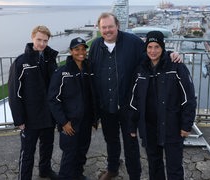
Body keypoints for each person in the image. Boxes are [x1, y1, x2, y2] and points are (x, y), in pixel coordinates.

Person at [88, 12, 182, 180]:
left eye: (110, 26)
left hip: (128, 106)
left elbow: (152, 55)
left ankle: (134, 175)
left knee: (131, 145)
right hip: (106, 106)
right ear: (99, 28)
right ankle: (113, 168)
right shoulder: (95, 46)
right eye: (104, 27)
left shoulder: (133, 43)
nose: (108, 30)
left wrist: (171, 55)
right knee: (111, 141)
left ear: (117, 26)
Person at [128, 31, 197, 180]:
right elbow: (134, 101)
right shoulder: (140, 70)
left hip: (172, 126)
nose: (153, 51)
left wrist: (186, 125)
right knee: (154, 165)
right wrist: (132, 126)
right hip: (149, 127)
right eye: (150, 47)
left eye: (157, 47)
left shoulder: (176, 67)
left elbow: (188, 98)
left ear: (163, 48)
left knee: (174, 168)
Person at [8, 25, 58, 180]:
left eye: (45, 40)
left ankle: (45, 170)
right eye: (39, 40)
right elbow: (14, 93)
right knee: (27, 152)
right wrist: (19, 120)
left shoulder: (51, 59)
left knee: (47, 147)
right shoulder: (21, 62)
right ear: (32, 38)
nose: (42, 44)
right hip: (30, 118)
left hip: (48, 116)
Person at [48, 37, 96, 180]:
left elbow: (93, 95)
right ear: (71, 51)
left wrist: (95, 118)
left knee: (82, 152)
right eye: (77, 49)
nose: (81, 52)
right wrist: (63, 122)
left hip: (86, 121)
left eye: (83, 49)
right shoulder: (62, 72)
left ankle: (78, 175)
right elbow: (53, 99)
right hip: (70, 123)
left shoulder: (89, 70)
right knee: (69, 154)